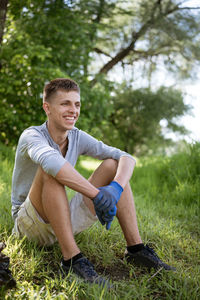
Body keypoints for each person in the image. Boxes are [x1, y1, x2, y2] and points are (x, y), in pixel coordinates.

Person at [11, 78, 175, 287]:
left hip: (61, 219)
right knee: (50, 169)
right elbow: (52, 163)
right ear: (47, 108)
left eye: (77, 104)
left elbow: (126, 156)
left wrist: (114, 190)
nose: (73, 110)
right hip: (29, 224)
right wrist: (97, 196)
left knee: (113, 165)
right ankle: (72, 260)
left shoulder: (77, 136)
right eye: (65, 104)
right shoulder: (32, 135)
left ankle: (136, 250)